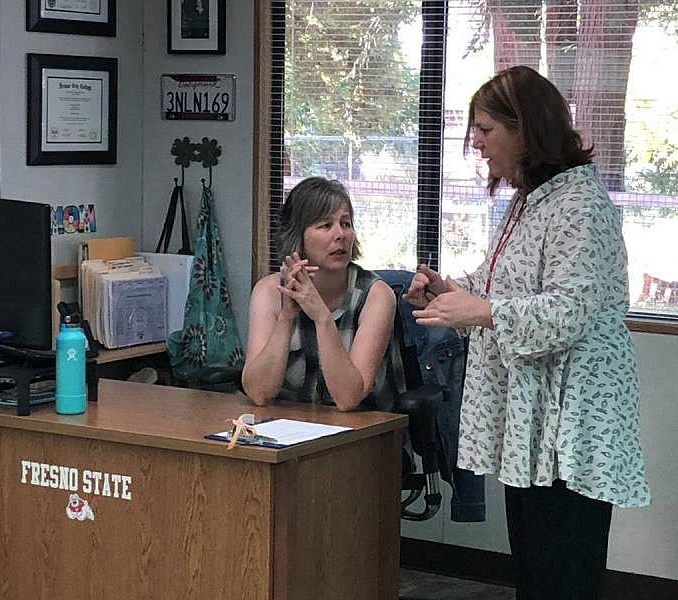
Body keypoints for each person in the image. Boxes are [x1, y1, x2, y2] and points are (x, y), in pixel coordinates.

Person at [404, 66, 651, 600]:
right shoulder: (530, 199)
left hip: (571, 416)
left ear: (526, 130)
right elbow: (503, 285)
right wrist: (449, 291)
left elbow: (571, 310)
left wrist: (481, 312)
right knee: (535, 564)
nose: (476, 141)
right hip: (537, 415)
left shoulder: (579, 205)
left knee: (562, 566)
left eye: (486, 129)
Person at [241, 176, 396, 412]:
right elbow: (258, 393)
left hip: (364, 435)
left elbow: (348, 398)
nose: (340, 235)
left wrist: (322, 318)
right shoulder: (269, 291)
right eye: (325, 225)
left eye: (345, 224)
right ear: (298, 235)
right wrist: (286, 317)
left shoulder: (376, 296)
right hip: (292, 430)